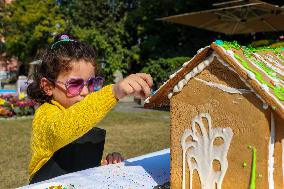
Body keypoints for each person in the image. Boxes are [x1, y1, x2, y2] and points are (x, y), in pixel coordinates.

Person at [27, 34, 153, 183]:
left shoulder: (80, 115)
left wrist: (103, 165)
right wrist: (113, 92)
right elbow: (64, 129)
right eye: (75, 84)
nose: (86, 92)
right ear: (48, 86)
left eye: (91, 83)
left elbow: (76, 165)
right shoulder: (46, 114)